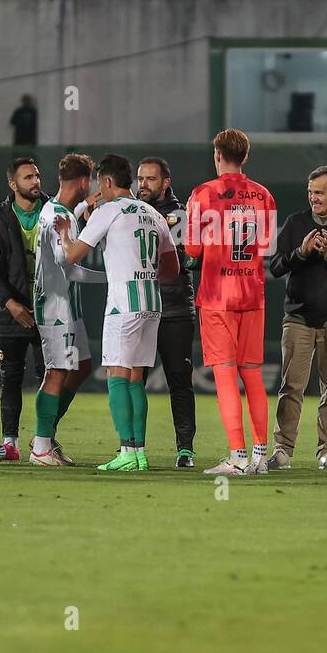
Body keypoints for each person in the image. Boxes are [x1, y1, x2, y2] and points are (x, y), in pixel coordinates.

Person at [56, 153, 177, 471]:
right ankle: (139, 454)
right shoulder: (153, 213)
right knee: (136, 377)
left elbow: (71, 256)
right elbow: (172, 267)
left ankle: (126, 451)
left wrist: (65, 233)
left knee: (116, 374)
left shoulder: (109, 211)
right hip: (152, 303)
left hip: (124, 305)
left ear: (106, 182)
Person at [184, 129, 278, 476]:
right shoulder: (263, 195)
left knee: (225, 375)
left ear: (218, 154)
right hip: (252, 294)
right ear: (245, 157)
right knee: (252, 374)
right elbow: (265, 243)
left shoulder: (203, 194)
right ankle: (258, 456)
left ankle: (237, 456)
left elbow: (193, 249)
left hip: (218, 295)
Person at [268, 165, 327, 471]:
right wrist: (301, 253)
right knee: (290, 386)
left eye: (319, 192)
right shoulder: (296, 223)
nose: (313, 198)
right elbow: (276, 266)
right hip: (299, 318)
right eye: (310, 192)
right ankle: (282, 451)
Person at [28, 152, 105, 466]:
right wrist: (114, 276)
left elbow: (68, 217)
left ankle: (45, 434)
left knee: (81, 366)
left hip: (67, 307)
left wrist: (84, 207)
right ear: (85, 181)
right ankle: (41, 448)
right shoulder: (63, 218)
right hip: (56, 307)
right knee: (57, 371)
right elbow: (68, 265)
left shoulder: (54, 209)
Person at [137, 157, 198, 467]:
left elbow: (190, 259)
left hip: (174, 310)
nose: (143, 184)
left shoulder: (182, 216)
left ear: (165, 183)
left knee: (179, 380)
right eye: (140, 178)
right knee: (136, 380)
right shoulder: (130, 214)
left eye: (150, 179)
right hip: (141, 309)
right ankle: (133, 449)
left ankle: (185, 448)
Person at [0, 157, 47, 460]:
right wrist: (11, 304)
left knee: (48, 378)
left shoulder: (52, 211)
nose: (35, 181)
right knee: (11, 378)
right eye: (28, 177)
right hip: (10, 311)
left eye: (37, 176)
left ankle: (44, 440)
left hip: (48, 311)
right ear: (13, 184)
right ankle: (10, 442)